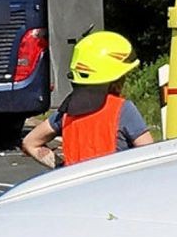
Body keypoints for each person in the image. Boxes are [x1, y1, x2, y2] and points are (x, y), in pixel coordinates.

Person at [21, 31, 154, 169]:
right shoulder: (123, 110)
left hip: (78, 187)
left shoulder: (67, 111)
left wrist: (61, 167)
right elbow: (150, 156)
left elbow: (30, 142)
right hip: (116, 187)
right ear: (116, 79)